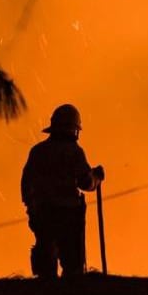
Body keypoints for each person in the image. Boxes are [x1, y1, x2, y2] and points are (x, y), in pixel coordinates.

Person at [21, 104, 105, 279]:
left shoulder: (38, 152)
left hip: (43, 213)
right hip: (69, 216)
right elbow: (86, 182)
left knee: (45, 259)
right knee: (73, 265)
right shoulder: (73, 152)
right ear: (74, 129)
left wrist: (32, 210)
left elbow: (26, 184)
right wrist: (96, 177)